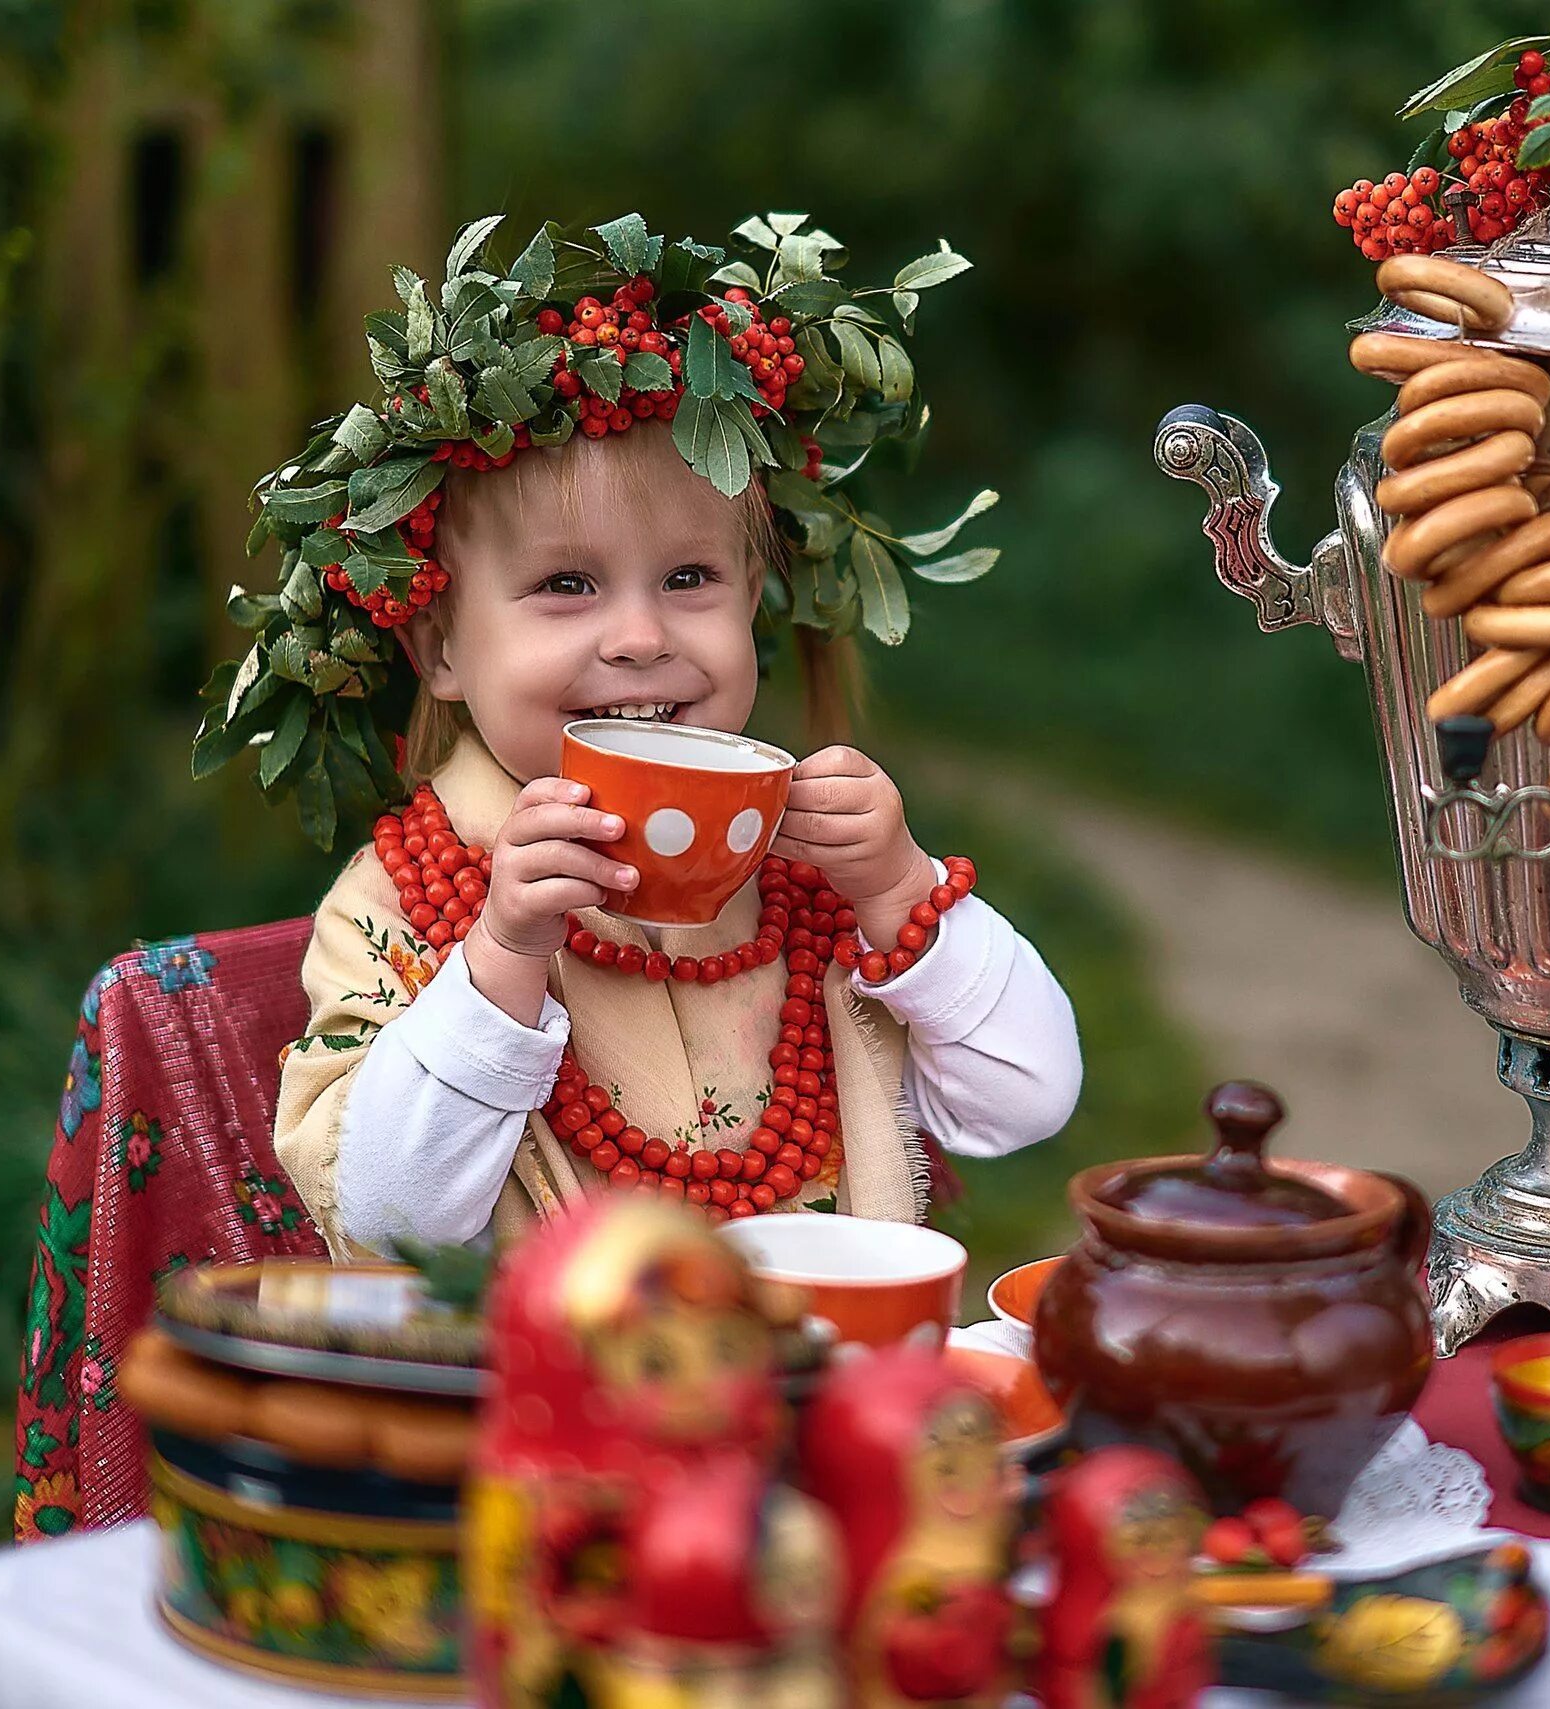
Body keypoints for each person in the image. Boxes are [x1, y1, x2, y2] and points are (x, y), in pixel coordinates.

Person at [205, 211, 1080, 1254]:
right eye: (565, 584)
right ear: (439, 645)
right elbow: (392, 1218)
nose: (637, 635)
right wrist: (501, 954)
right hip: (538, 1400)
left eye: (689, 578)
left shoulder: (816, 882)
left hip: (823, 1393)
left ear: (752, 598)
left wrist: (901, 891)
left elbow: (1025, 1105)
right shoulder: (404, 901)